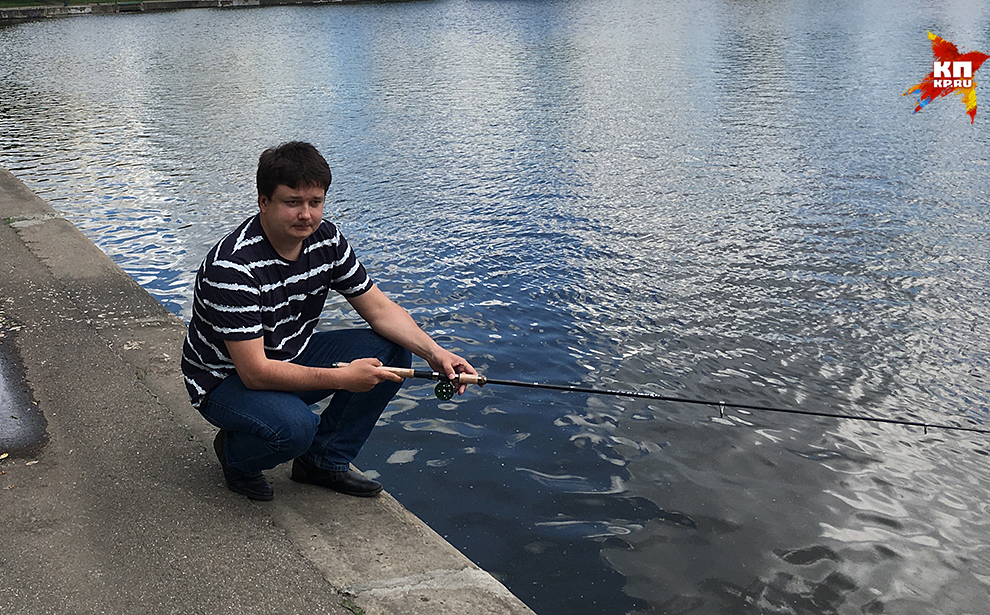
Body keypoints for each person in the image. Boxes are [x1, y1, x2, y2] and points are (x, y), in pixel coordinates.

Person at [180, 141, 476, 501]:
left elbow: (380, 310)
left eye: (315, 202)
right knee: (295, 427)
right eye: (293, 203)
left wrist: (436, 353)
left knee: (394, 352)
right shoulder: (234, 267)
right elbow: (255, 372)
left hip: (289, 353)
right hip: (224, 380)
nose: (306, 214)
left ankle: (322, 461)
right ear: (264, 202)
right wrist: (344, 378)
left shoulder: (327, 241)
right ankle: (236, 456)